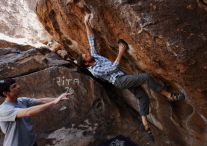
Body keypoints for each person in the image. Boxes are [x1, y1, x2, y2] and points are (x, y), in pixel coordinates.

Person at [76, 14, 185, 143]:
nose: (87, 53)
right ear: (86, 63)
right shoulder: (94, 70)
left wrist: (86, 23)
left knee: (142, 97)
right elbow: (113, 68)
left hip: (123, 77)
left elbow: (91, 39)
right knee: (145, 77)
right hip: (119, 81)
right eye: (85, 56)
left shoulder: (94, 56)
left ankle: (145, 126)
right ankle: (169, 95)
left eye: (86, 53)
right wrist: (121, 51)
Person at [0, 78, 72, 146]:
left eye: (17, 84)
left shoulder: (21, 100)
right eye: (14, 86)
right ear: (6, 93)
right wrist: (53, 102)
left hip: (31, 142)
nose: (18, 86)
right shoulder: (4, 109)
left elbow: (42, 100)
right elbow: (28, 112)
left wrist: (59, 98)